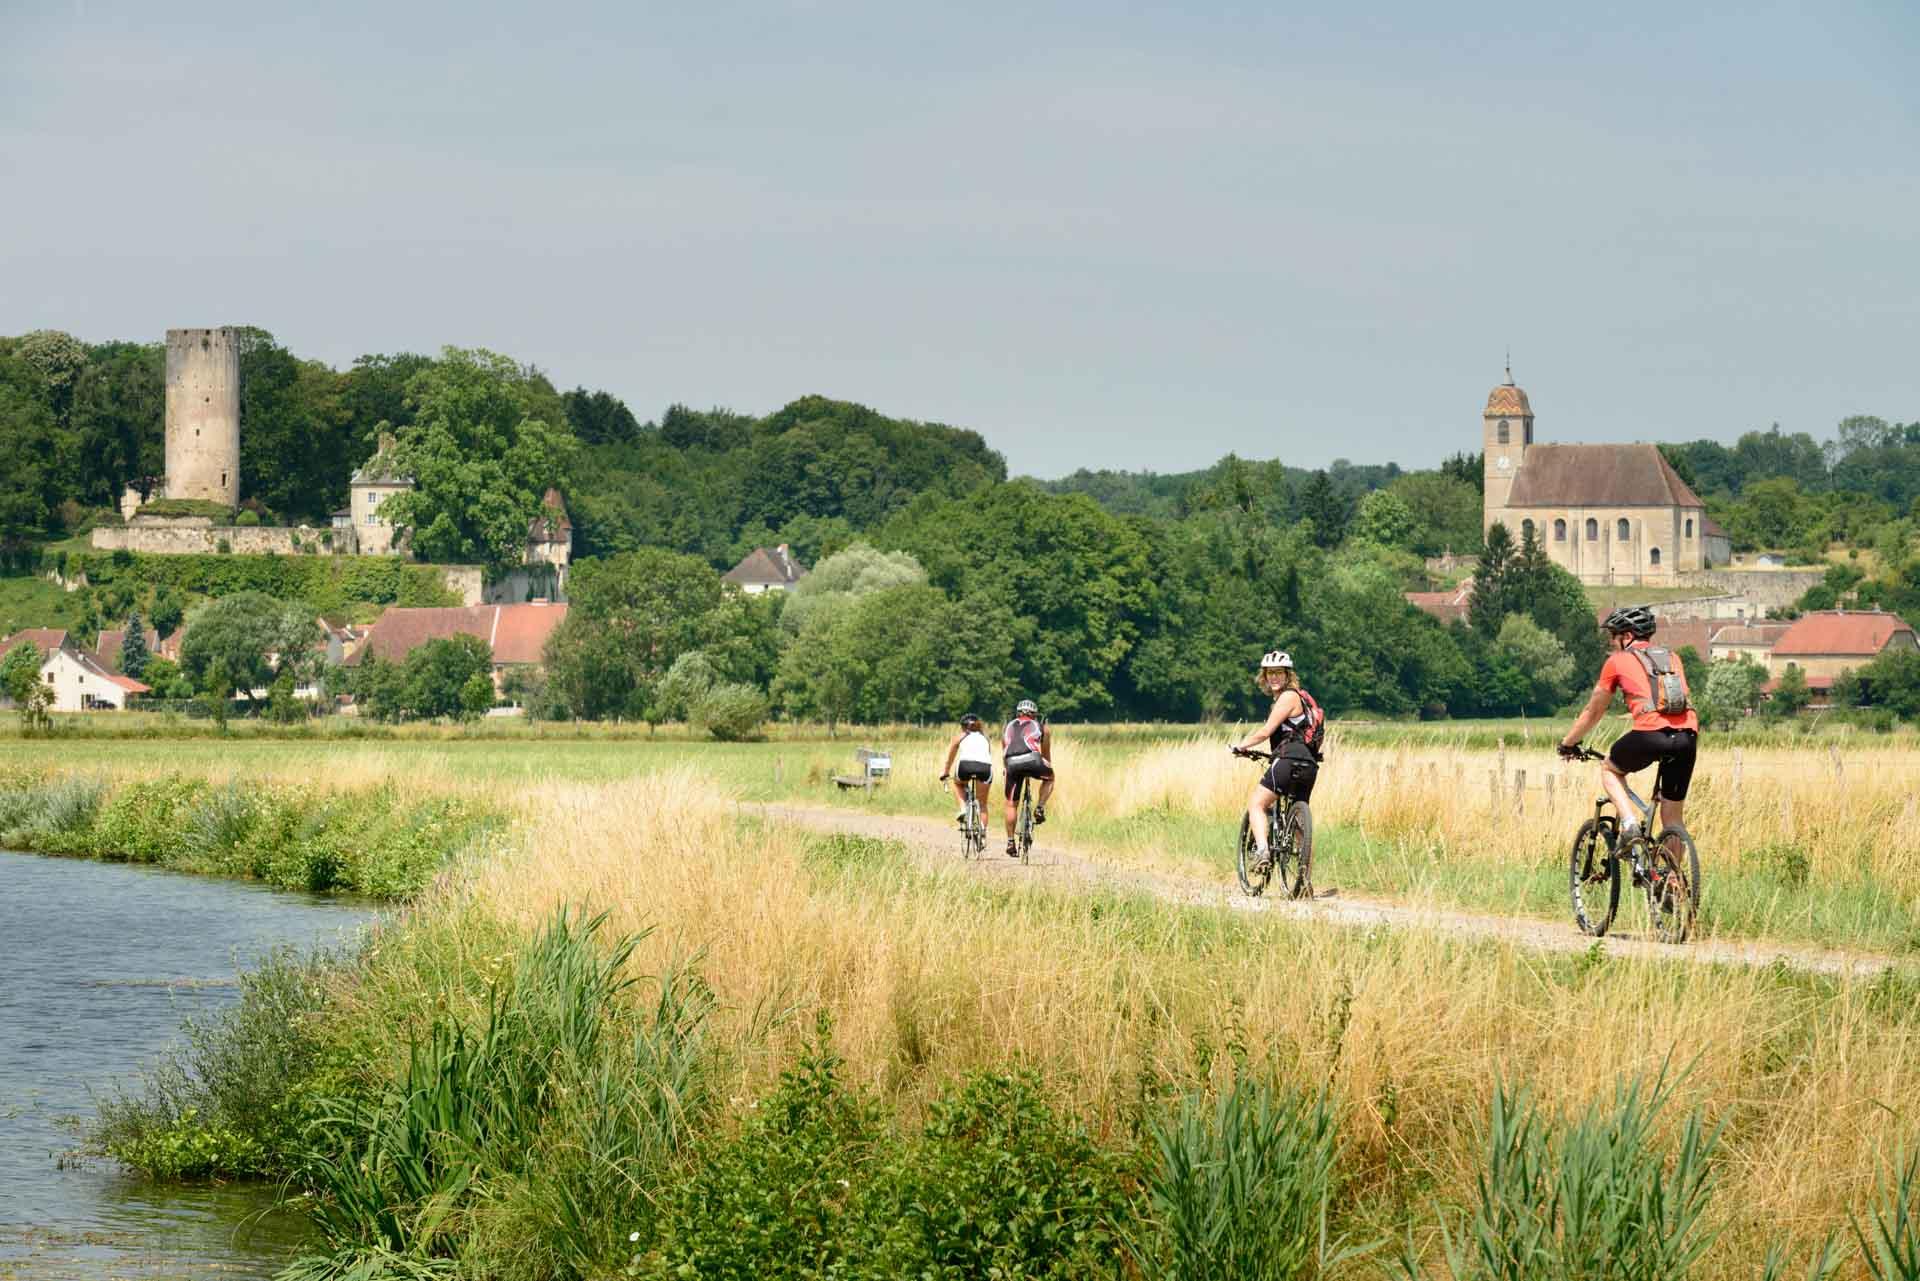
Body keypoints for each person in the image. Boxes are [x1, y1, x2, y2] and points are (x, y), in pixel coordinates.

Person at [1558, 605, 1699, 844]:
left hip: (1650, 734)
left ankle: (1630, 824)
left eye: (1614, 636)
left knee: (1610, 769)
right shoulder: (1673, 657)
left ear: (1627, 636)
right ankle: (1674, 878)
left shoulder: (1617, 661)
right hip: (1687, 737)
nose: (1612, 642)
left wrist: (1568, 743)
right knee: (1672, 818)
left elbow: (1593, 712)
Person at [1229, 650, 1322, 873]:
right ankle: (1304, 880)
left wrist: (1242, 746)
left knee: (1256, 804)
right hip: (1309, 764)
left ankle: (1262, 853)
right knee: (1299, 823)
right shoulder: (1302, 700)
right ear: (1264, 676)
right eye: (1270, 673)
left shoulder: (1288, 697)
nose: (1274, 677)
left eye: (1279, 673)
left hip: (1288, 760)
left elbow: (1266, 731)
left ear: (1288, 675)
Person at [1001, 698, 1054, 858]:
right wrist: (1047, 766)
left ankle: (1010, 842)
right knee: (1050, 778)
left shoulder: (1007, 727)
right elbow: (1045, 753)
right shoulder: (1042, 727)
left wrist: (1006, 770)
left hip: (1011, 763)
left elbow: (1005, 751)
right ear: (1035, 715)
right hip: (1033, 760)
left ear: (1017, 713)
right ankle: (1040, 807)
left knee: (1011, 804)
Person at [938, 713, 993, 825]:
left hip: (965, 766)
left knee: (958, 784)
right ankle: (982, 835)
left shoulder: (960, 737)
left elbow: (950, 757)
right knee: (982, 805)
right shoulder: (985, 738)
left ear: (963, 727)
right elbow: (988, 754)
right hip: (985, 768)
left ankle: (963, 809)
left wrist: (946, 771)